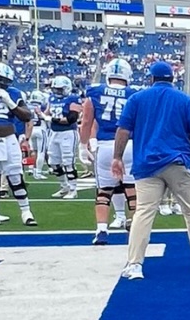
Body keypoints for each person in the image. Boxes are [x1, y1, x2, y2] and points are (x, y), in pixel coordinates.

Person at [113, 61, 190, 280]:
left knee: (143, 212)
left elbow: (123, 129)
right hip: (178, 161)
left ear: (151, 78)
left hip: (147, 163)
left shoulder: (137, 99)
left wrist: (117, 157)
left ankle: (135, 263)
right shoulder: (184, 99)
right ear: (172, 79)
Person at [80, 58, 139, 244]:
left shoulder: (95, 91)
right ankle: (135, 227)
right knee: (132, 190)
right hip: (129, 145)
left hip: (105, 146)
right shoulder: (134, 94)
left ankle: (101, 231)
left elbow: (87, 121)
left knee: (104, 191)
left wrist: (83, 145)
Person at [0, 63, 36, 226]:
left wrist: (10, 102)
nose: (2, 83)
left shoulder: (14, 93)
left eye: (5, 80)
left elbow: (27, 116)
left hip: (8, 138)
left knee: (15, 176)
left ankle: (26, 212)